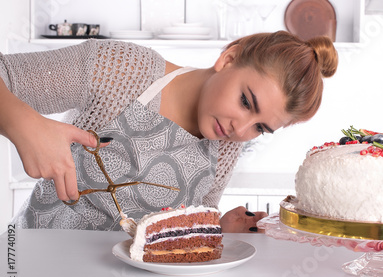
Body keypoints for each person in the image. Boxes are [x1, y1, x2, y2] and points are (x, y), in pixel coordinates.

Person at [0, 30, 338, 232]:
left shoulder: (224, 148)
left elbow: (173, 234)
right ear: (230, 58)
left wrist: (216, 230)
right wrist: (26, 125)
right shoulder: (123, 69)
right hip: (28, 271)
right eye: (246, 102)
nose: (241, 129)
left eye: (261, 127)